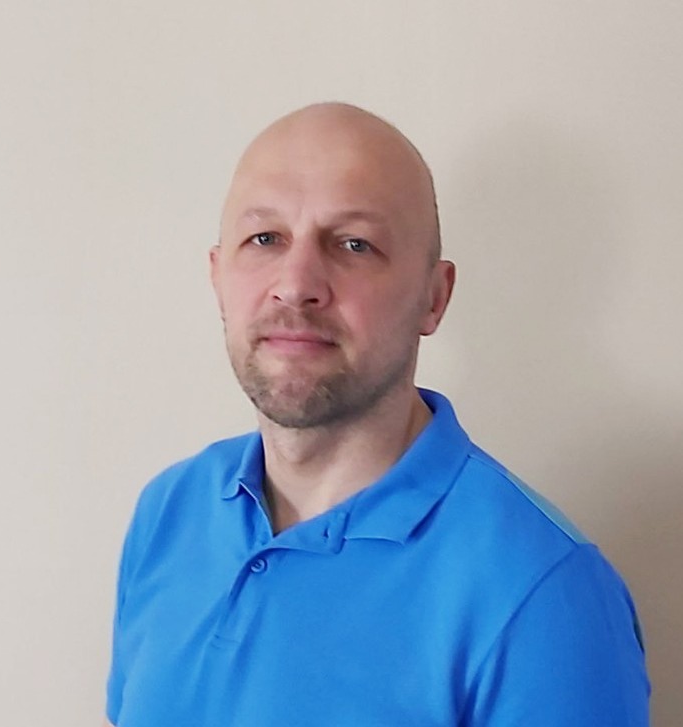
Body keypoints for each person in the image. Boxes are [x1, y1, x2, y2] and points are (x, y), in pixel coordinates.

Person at [104, 103, 650, 726]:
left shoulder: (544, 592)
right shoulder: (170, 511)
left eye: (354, 244)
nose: (296, 284)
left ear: (433, 298)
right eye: (265, 239)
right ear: (217, 275)